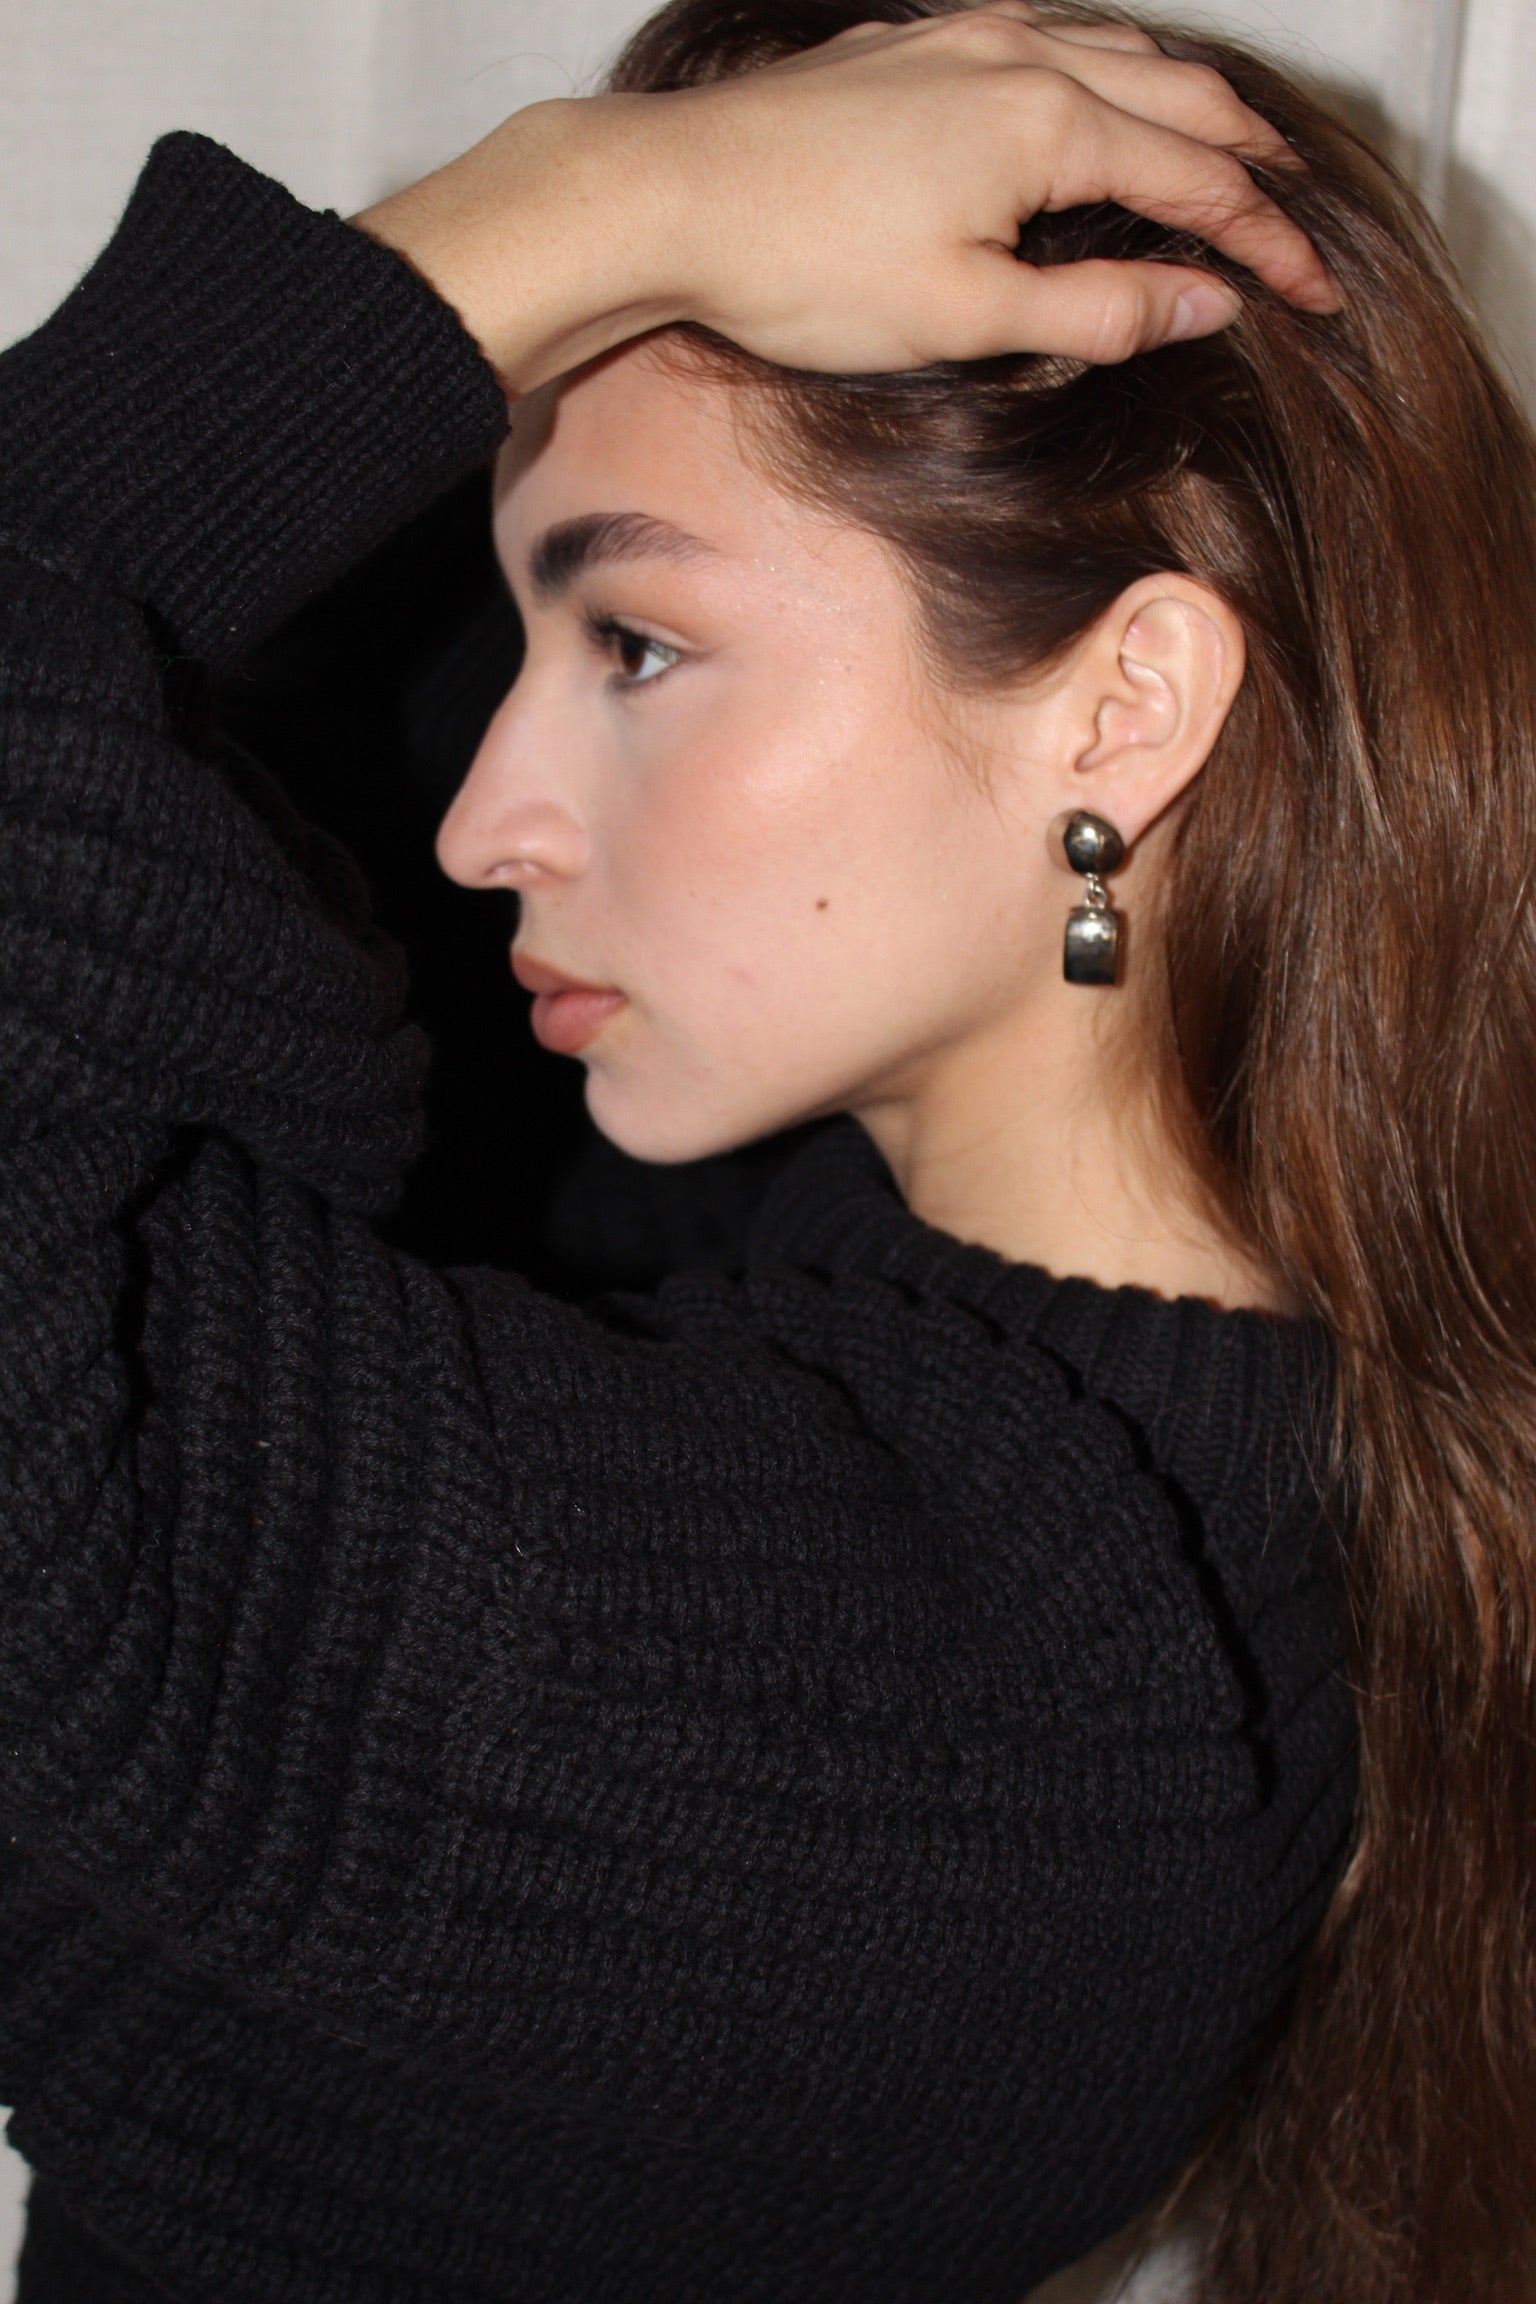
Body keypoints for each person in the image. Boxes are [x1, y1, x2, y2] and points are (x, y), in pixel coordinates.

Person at [0, 1, 1521, 2298]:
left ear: (1124, 708)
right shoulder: (1001, 1389)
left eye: (632, 644)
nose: (487, 819)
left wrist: (590, 200)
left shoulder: (885, 1715)